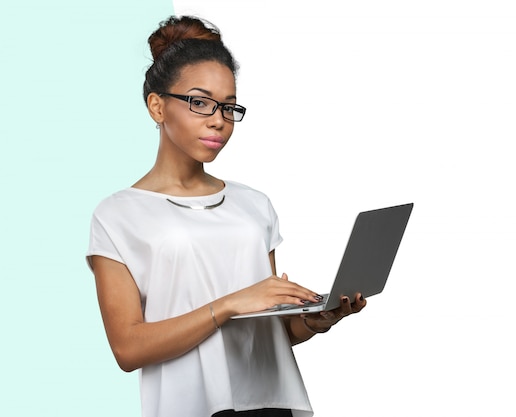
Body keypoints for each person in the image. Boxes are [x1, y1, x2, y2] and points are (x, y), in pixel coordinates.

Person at [86, 15, 367, 417]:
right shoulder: (117, 214)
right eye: (200, 102)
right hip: (190, 407)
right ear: (157, 106)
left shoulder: (254, 205)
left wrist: (315, 319)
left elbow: (275, 332)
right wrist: (230, 304)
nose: (219, 119)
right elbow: (128, 349)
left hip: (272, 403)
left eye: (229, 107)